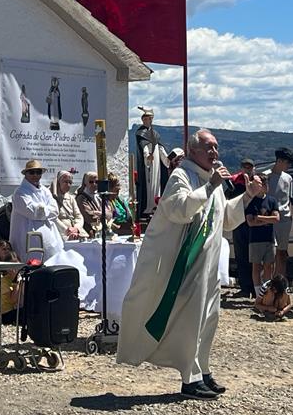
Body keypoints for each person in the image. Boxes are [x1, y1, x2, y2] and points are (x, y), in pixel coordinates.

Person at [117, 129, 256, 400]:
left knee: (208, 319)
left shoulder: (213, 182)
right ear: (193, 151)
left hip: (209, 265)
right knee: (191, 320)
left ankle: (203, 370)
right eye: (208, 147)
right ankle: (189, 378)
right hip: (187, 264)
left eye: (216, 147)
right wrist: (210, 186)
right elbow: (179, 210)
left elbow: (225, 218)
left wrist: (248, 196)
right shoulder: (182, 176)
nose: (214, 152)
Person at [9, 160, 62, 262]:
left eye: (38, 172)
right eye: (32, 172)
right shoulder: (20, 192)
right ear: (26, 174)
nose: (35, 175)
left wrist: (41, 209)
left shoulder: (45, 191)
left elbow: (55, 210)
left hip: (48, 241)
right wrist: (46, 210)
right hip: (28, 241)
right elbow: (33, 213)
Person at [229, 159, 257, 299]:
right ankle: (245, 288)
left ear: (254, 168)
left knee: (255, 257)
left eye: (249, 167)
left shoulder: (258, 182)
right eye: (245, 167)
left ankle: (256, 287)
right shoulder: (234, 182)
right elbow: (229, 198)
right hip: (239, 222)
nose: (247, 169)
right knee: (241, 256)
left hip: (255, 222)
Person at [266, 147, 293, 277]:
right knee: (270, 252)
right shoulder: (266, 175)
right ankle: (268, 281)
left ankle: (280, 281)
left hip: (285, 218)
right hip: (269, 218)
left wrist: (291, 215)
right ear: (279, 160)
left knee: (282, 252)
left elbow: (289, 198)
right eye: (287, 163)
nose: (289, 166)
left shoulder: (288, 178)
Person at [134, 107, 169, 216]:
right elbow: (143, 146)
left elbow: (159, 146)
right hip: (148, 159)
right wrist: (147, 157)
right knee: (149, 181)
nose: (147, 121)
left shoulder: (155, 133)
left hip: (156, 158)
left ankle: (156, 204)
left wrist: (166, 157)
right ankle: (149, 206)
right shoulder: (140, 132)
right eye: (145, 119)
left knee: (157, 180)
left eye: (149, 119)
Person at [245, 177, 279, 290]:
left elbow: (276, 218)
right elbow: (250, 222)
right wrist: (267, 220)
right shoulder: (251, 201)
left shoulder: (272, 200)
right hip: (255, 239)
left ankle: (267, 290)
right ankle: (257, 290)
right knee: (256, 266)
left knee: (269, 265)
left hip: (269, 238)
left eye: (266, 183)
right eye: (263, 184)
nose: (266, 186)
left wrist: (259, 218)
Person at [76, 171, 112, 239]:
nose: (94, 184)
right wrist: (103, 214)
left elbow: (110, 213)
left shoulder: (99, 196)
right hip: (90, 233)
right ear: (85, 183)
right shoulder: (81, 198)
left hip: (102, 232)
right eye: (91, 182)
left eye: (96, 182)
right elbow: (89, 217)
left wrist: (99, 213)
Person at [51, 169, 85, 240]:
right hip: (59, 233)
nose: (68, 185)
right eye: (65, 182)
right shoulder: (51, 198)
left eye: (70, 182)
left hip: (74, 232)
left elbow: (79, 216)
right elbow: (53, 217)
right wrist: (67, 230)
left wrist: (76, 228)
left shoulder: (70, 198)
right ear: (58, 182)